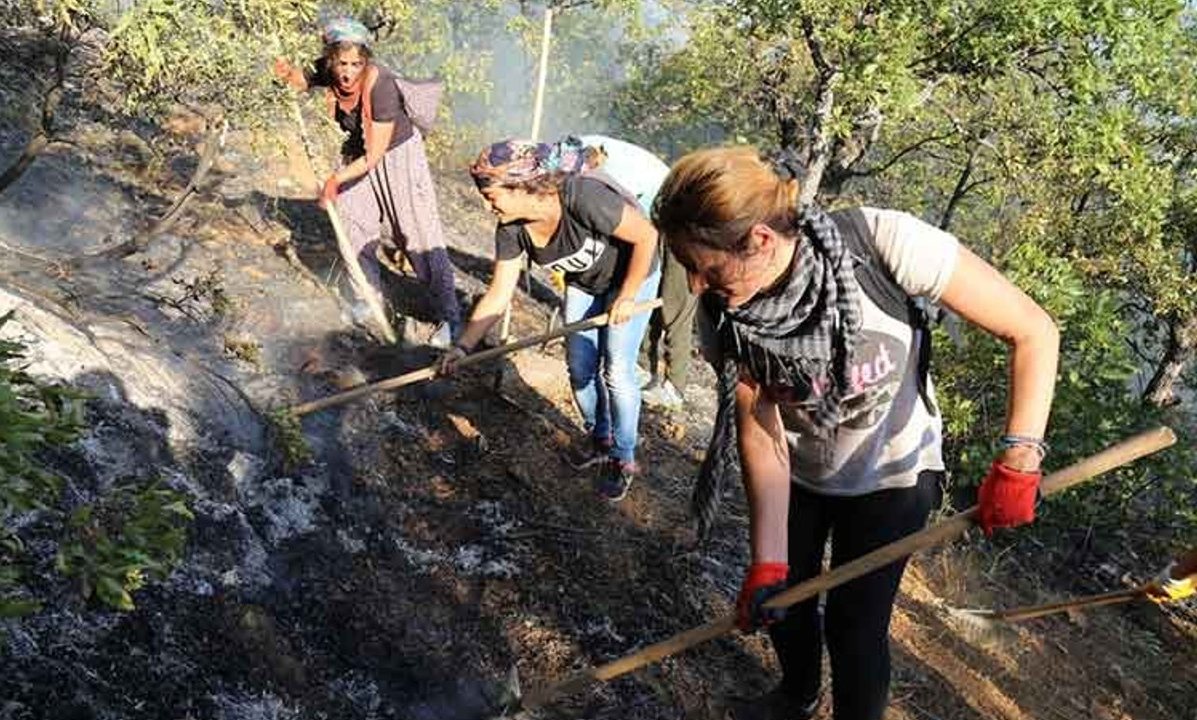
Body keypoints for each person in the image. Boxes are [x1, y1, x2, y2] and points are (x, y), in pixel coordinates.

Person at [651, 146, 1060, 720]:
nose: (693, 285)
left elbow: (1033, 330)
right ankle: (795, 695)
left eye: (706, 267)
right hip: (799, 472)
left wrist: (1019, 458)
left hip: (894, 474)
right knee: (785, 604)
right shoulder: (726, 312)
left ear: (762, 242)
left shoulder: (880, 243)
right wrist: (768, 560)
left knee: (855, 626)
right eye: (685, 266)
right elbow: (760, 422)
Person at [440, 137, 661, 501]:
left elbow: (646, 236)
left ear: (521, 187)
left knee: (616, 370)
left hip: (632, 276)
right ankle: (599, 436)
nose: (486, 204)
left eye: (490, 194)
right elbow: (498, 294)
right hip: (586, 284)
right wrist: (462, 347)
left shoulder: (580, 196)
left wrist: (625, 295)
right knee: (579, 367)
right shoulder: (511, 230)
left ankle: (624, 458)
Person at [273, 16, 462, 346]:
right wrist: (285, 72)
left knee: (415, 233)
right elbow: (302, 79)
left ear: (366, 61)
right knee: (353, 224)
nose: (347, 72)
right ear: (331, 59)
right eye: (342, 63)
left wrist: (334, 179)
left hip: (397, 156)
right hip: (357, 153)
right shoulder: (329, 68)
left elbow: (375, 155)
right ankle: (368, 300)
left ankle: (449, 318)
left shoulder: (381, 84)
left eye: (355, 64)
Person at [578, 136, 695, 412]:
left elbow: (627, 224)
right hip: (653, 216)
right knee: (647, 295)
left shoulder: (614, 178)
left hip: (681, 221)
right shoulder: (576, 154)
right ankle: (642, 368)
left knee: (675, 303)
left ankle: (674, 388)